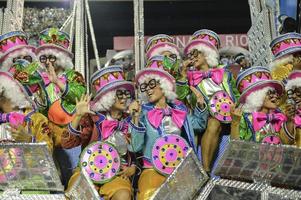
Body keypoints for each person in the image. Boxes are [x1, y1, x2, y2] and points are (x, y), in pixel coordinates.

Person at [128, 59, 208, 199]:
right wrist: (135, 118)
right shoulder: (142, 112)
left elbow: (198, 125)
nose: (147, 89)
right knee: (148, 195)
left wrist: (200, 105)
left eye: (152, 84)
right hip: (152, 169)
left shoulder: (179, 109)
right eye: (145, 86)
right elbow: (135, 147)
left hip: (180, 168)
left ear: (164, 85)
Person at [62, 66, 137, 200]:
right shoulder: (93, 119)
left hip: (116, 174)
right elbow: (67, 143)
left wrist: (133, 167)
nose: (124, 98)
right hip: (87, 172)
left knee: (123, 195)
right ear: (109, 97)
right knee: (76, 194)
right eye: (120, 94)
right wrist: (78, 116)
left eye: (126, 94)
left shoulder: (130, 120)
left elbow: (137, 150)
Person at [177, 29, 238, 173]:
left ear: (207, 54)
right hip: (206, 118)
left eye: (195, 53)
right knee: (213, 123)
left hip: (231, 115)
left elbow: (236, 93)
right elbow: (180, 97)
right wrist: (183, 77)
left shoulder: (225, 73)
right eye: (190, 54)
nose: (192, 57)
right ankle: (205, 169)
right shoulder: (190, 77)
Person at [232, 66, 292, 145]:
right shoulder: (245, 119)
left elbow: (287, 145)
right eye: (270, 93)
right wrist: (235, 123)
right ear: (257, 96)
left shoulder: (279, 117)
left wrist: (290, 121)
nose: (275, 96)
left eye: (275, 92)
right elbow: (235, 148)